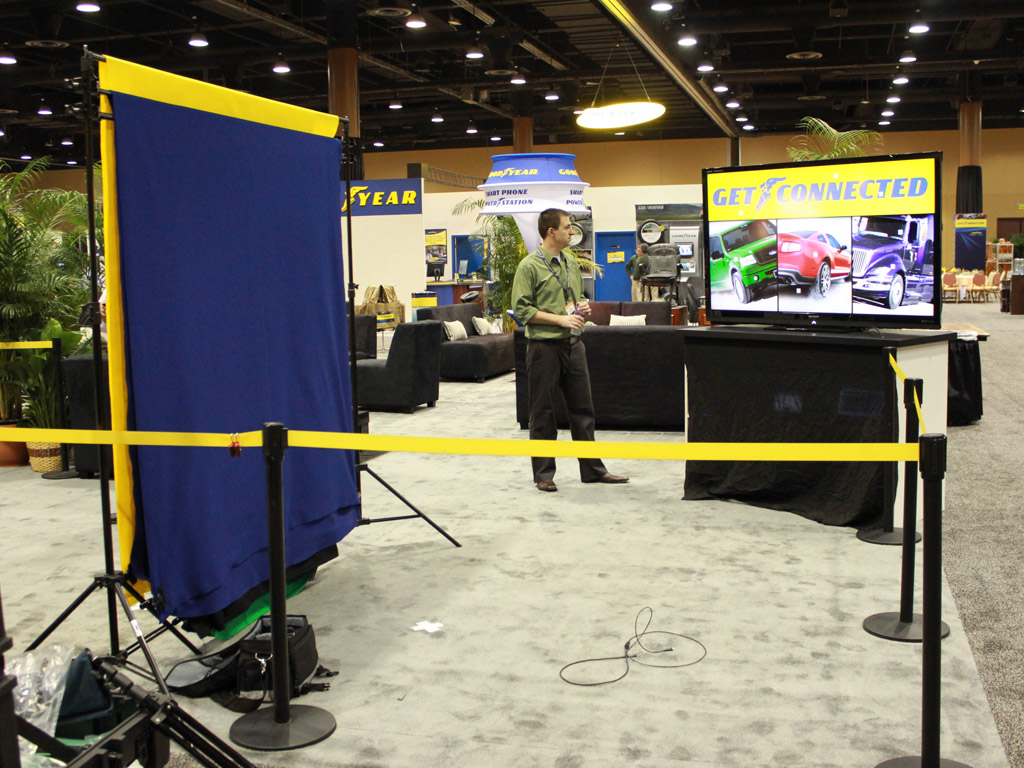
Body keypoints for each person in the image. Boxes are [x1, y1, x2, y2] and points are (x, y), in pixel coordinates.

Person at [511, 209, 629, 492]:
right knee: (542, 412)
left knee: (583, 411)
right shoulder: (529, 266)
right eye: (567, 228)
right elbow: (522, 310)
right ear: (551, 231)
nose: (572, 232)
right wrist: (559, 320)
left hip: (575, 345)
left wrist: (582, 307)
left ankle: (593, 470)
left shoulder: (571, 263)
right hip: (544, 348)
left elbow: (575, 299)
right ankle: (544, 474)